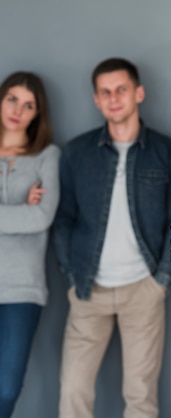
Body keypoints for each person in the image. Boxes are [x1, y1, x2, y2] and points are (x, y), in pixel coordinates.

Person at [53, 57, 171, 418]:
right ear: (96, 100)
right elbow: (63, 219)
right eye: (105, 92)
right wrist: (70, 276)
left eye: (121, 90)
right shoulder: (77, 153)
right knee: (73, 393)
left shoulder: (165, 151)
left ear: (138, 93)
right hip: (87, 289)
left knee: (140, 396)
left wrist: (161, 280)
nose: (114, 98)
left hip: (143, 290)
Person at [0, 71, 59, 418]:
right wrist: (22, 209)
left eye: (28, 104)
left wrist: (30, 212)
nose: (17, 110)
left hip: (24, 290)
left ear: (37, 113)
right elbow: (28, 216)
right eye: (12, 99)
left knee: (6, 389)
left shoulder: (46, 156)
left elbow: (42, 218)